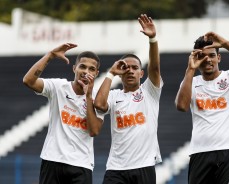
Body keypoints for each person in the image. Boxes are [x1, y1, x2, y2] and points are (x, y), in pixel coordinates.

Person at [175, 32, 229, 184]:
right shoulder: (191, 82)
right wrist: (190, 69)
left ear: (219, 58)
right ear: (196, 58)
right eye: (202, 56)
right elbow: (181, 106)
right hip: (200, 152)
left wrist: (226, 44)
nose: (208, 59)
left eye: (212, 55)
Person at [94, 14, 162, 184]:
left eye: (135, 68)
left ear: (141, 73)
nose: (130, 71)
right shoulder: (114, 96)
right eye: (126, 68)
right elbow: (99, 105)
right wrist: (111, 73)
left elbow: (154, 67)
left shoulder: (150, 92)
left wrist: (152, 39)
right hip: (116, 168)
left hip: (144, 166)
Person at [23, 43, 104, 184]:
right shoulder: (58, 87)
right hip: (53, 160)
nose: (86, 71)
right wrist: (50, 55)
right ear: (74, 68)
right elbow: (28, 81)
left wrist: (88, 96)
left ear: (96, 73)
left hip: (81, 164)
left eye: (91, 69)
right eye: (82, 66)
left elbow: (94, 131)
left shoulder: (98, 99)